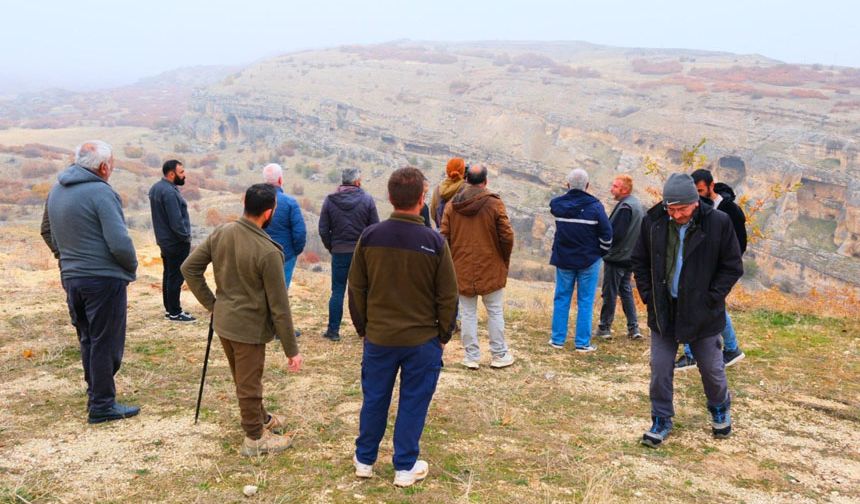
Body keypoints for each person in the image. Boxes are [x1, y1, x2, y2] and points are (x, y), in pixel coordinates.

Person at [348, 166, 458, 487]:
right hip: (422, 340)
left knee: (375, 398)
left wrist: (364, 329)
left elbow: (357, 289)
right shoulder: (434, 242)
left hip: (379, 337)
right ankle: (404, 467)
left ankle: (365, 460)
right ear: (423, 198)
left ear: (390, 197)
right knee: (413, 402)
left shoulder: (370, 237)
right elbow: (447, 296)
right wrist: (442, 336)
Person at [181, 184, 303, 456]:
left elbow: (189, 268)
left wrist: (214, 305)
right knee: (249, 383)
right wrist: (291, 350)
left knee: (243, 377)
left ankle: (262, 419)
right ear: (269, 212)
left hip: (224, 322)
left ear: (245, 203)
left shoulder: (222, 232)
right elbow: (279, 307)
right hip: (248, 328)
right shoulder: (268, 251)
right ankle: (255, 438)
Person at [632, 173, 743, 447]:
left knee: (712, 368)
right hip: (664, 310)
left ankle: (719, 409)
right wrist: (648, 295)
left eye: (681, 208)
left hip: (703, 311)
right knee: (659, 368)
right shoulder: (654, 221)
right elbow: (639, 260)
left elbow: (732, 266)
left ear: (695, 202)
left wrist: (712, 298)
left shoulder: (718, 222)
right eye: (671, 208)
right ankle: (661, 419)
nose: (676, 214)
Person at [44, 140, 140, 424]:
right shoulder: (101, 192)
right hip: (102, 279)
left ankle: (96, 392)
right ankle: (102, 405)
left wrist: (66, 258)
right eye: (111, 165)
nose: (112, 170)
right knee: (105, 341)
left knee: (88, 337)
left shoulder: (57, 189)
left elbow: (46, 230)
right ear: (102, 167)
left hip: (72, 277)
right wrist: (130, 266)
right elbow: (119, 241)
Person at [440, 164, 515, 369]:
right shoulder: (494, 203)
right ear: (486, 181)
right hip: (490, 265)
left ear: (466, 180)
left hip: (461, 266)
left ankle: (471, 357)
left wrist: (450, 262)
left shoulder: (451, 205)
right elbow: (507, 236)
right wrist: (502, 257)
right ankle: (499, 354)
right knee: (495, 311)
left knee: (467, 313)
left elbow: (443, 237)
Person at [675, 169, 748, 369]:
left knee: (708, 305)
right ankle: (725, 350)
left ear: (711, 187)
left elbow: (739, 244)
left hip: (717, 269)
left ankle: (707, 352)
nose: (697, 195)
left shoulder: (730, 210)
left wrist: (723, 269)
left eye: (700, 190)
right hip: (698, 265)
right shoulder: (696, 208)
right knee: (698, 304)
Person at [548, 168, 612, 352]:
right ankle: (582, 343)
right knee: (585, 301)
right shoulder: (596, 207)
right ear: (587, 186)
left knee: (561, 298)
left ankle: (557, 339)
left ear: (568, 185)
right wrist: (601, 253)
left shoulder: (558, 206)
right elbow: (607, 235)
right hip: (589, 260)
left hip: (563, 258)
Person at [318, 167, 379, 341]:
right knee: (363, 292)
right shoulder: (367, 200)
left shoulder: (330, 200)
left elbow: (323, 229)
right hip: (361, 254)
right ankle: (366, 331)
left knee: (337, 291)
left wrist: (332, 246)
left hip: (339, 252)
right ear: (358, 182)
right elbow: (374, 227)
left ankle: (333, 330)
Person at [597, 174, 645, 340]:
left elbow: (616, 234)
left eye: (615, 186)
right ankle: (634, 328)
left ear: (624, 190)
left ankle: (604, 328)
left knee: (610, 292)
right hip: (630, 258)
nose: (612, 189)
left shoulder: (625, 207)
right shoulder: (637, 204)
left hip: (617, 258)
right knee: (626, 291)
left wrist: (603, 244)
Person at [149, 159, 194, 322]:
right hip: (176, 242)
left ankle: (170, 310)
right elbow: (176, 221)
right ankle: (175, 312)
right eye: (181, 172)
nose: (184, 175)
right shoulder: (168, 192)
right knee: (175, 276)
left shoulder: (156, 188)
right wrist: (185, 237)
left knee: (168, 274)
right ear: (171, 174)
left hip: (164, 240)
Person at [262, 163, 307, 289]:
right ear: (280, 180)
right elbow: (300, 232)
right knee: (280, 294)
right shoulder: (290, 202)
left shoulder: (255, 201)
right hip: (284, 255)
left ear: (265, 180)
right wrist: (294, 252)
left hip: (258, 254)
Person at [429, 157, 467, 228]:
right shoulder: (465, 188)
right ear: (463, 171)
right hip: (458, 233)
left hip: (441, 231)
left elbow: (433, 213)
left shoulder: (438, 188)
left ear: (447, 171)